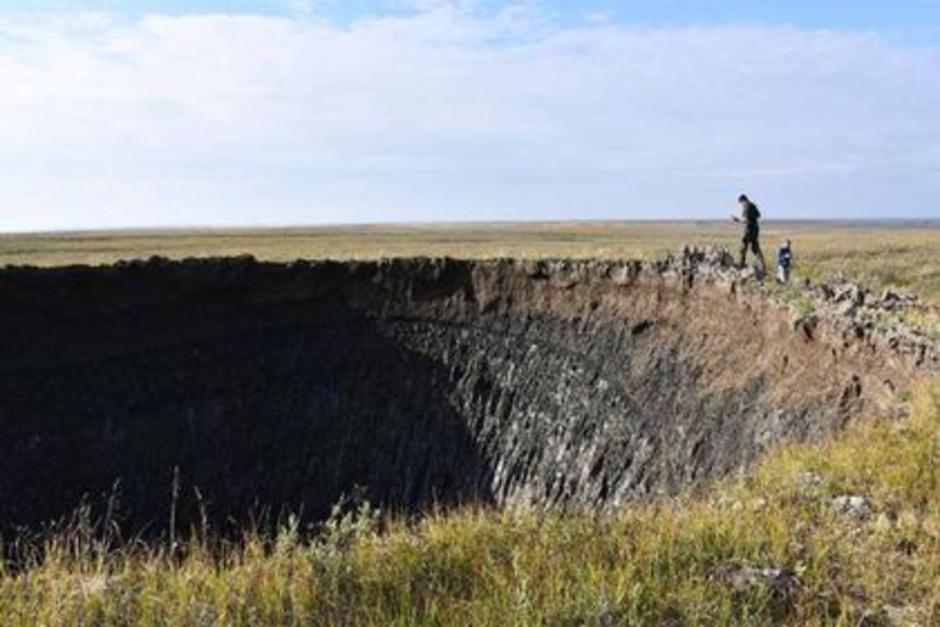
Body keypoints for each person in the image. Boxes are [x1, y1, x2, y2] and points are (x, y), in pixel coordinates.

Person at [732, 194, 766, 275]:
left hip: (748, 230)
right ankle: (762, 267)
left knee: (743, 248)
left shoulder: (746, 206)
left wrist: (737, 220)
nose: (741, 205)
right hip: (755, 229)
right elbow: (758, 215)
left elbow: (745, 220)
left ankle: (741, 266)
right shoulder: (753, 205)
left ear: (743, 200)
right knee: (755, 249)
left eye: (741, 203)